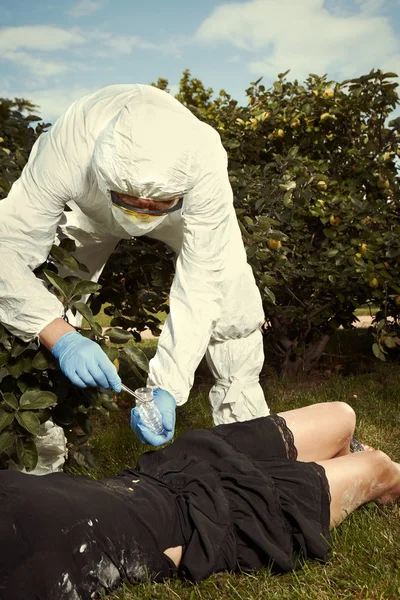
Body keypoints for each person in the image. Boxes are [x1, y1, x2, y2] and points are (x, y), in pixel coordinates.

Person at [0, 84, 268, 451]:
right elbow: (7, 249)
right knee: (51, 295)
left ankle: (252, 443)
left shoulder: (203, 159)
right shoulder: (68, 146)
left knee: (233, 299)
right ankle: (39, 455)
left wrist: (168, 387)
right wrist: (57, 333)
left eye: (154, 205)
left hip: (182, 214)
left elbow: (204, 282)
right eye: (130, 201)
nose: (141, 214)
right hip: (90, 211)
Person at [0, 398, 399, 600]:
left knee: (342, 416)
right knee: (379, 465)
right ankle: (364, 480)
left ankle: (341, 461)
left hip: (169, 468)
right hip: (214, 514)